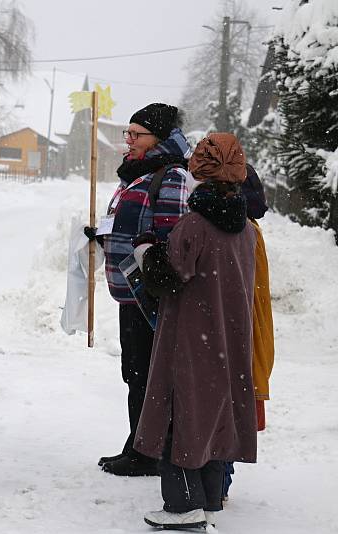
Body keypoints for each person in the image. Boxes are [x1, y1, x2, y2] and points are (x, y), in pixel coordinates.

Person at [132, 133, 258, 530]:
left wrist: (146, 252)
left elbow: (169, 277)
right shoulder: (246, 229)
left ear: (197, 173)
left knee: (181, 412)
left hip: (189, 335)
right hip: (228, 336)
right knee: (214, 412)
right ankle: (209, 495)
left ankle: (184, 506)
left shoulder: (194, 225)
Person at [86, 103, 191, 477]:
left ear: (158, 139)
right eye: (127, 133)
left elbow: (170, 235)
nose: (127, 140)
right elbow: (127, 224)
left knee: (150, 374)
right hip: (129, 293)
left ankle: (152, 452)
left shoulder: (171, 175)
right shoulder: (134, 175)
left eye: (136, 134)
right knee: (135, 372)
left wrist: (152, 269)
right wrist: (102, 235)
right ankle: (140, 443)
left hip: (150, 295)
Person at [223, 163, 275, 500]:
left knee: (221, 398)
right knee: (228, 394)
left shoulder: (238, 231)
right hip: (236, 335)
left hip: (225, 332)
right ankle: (219, 479)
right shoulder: (250, 230)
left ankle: (217, 482)